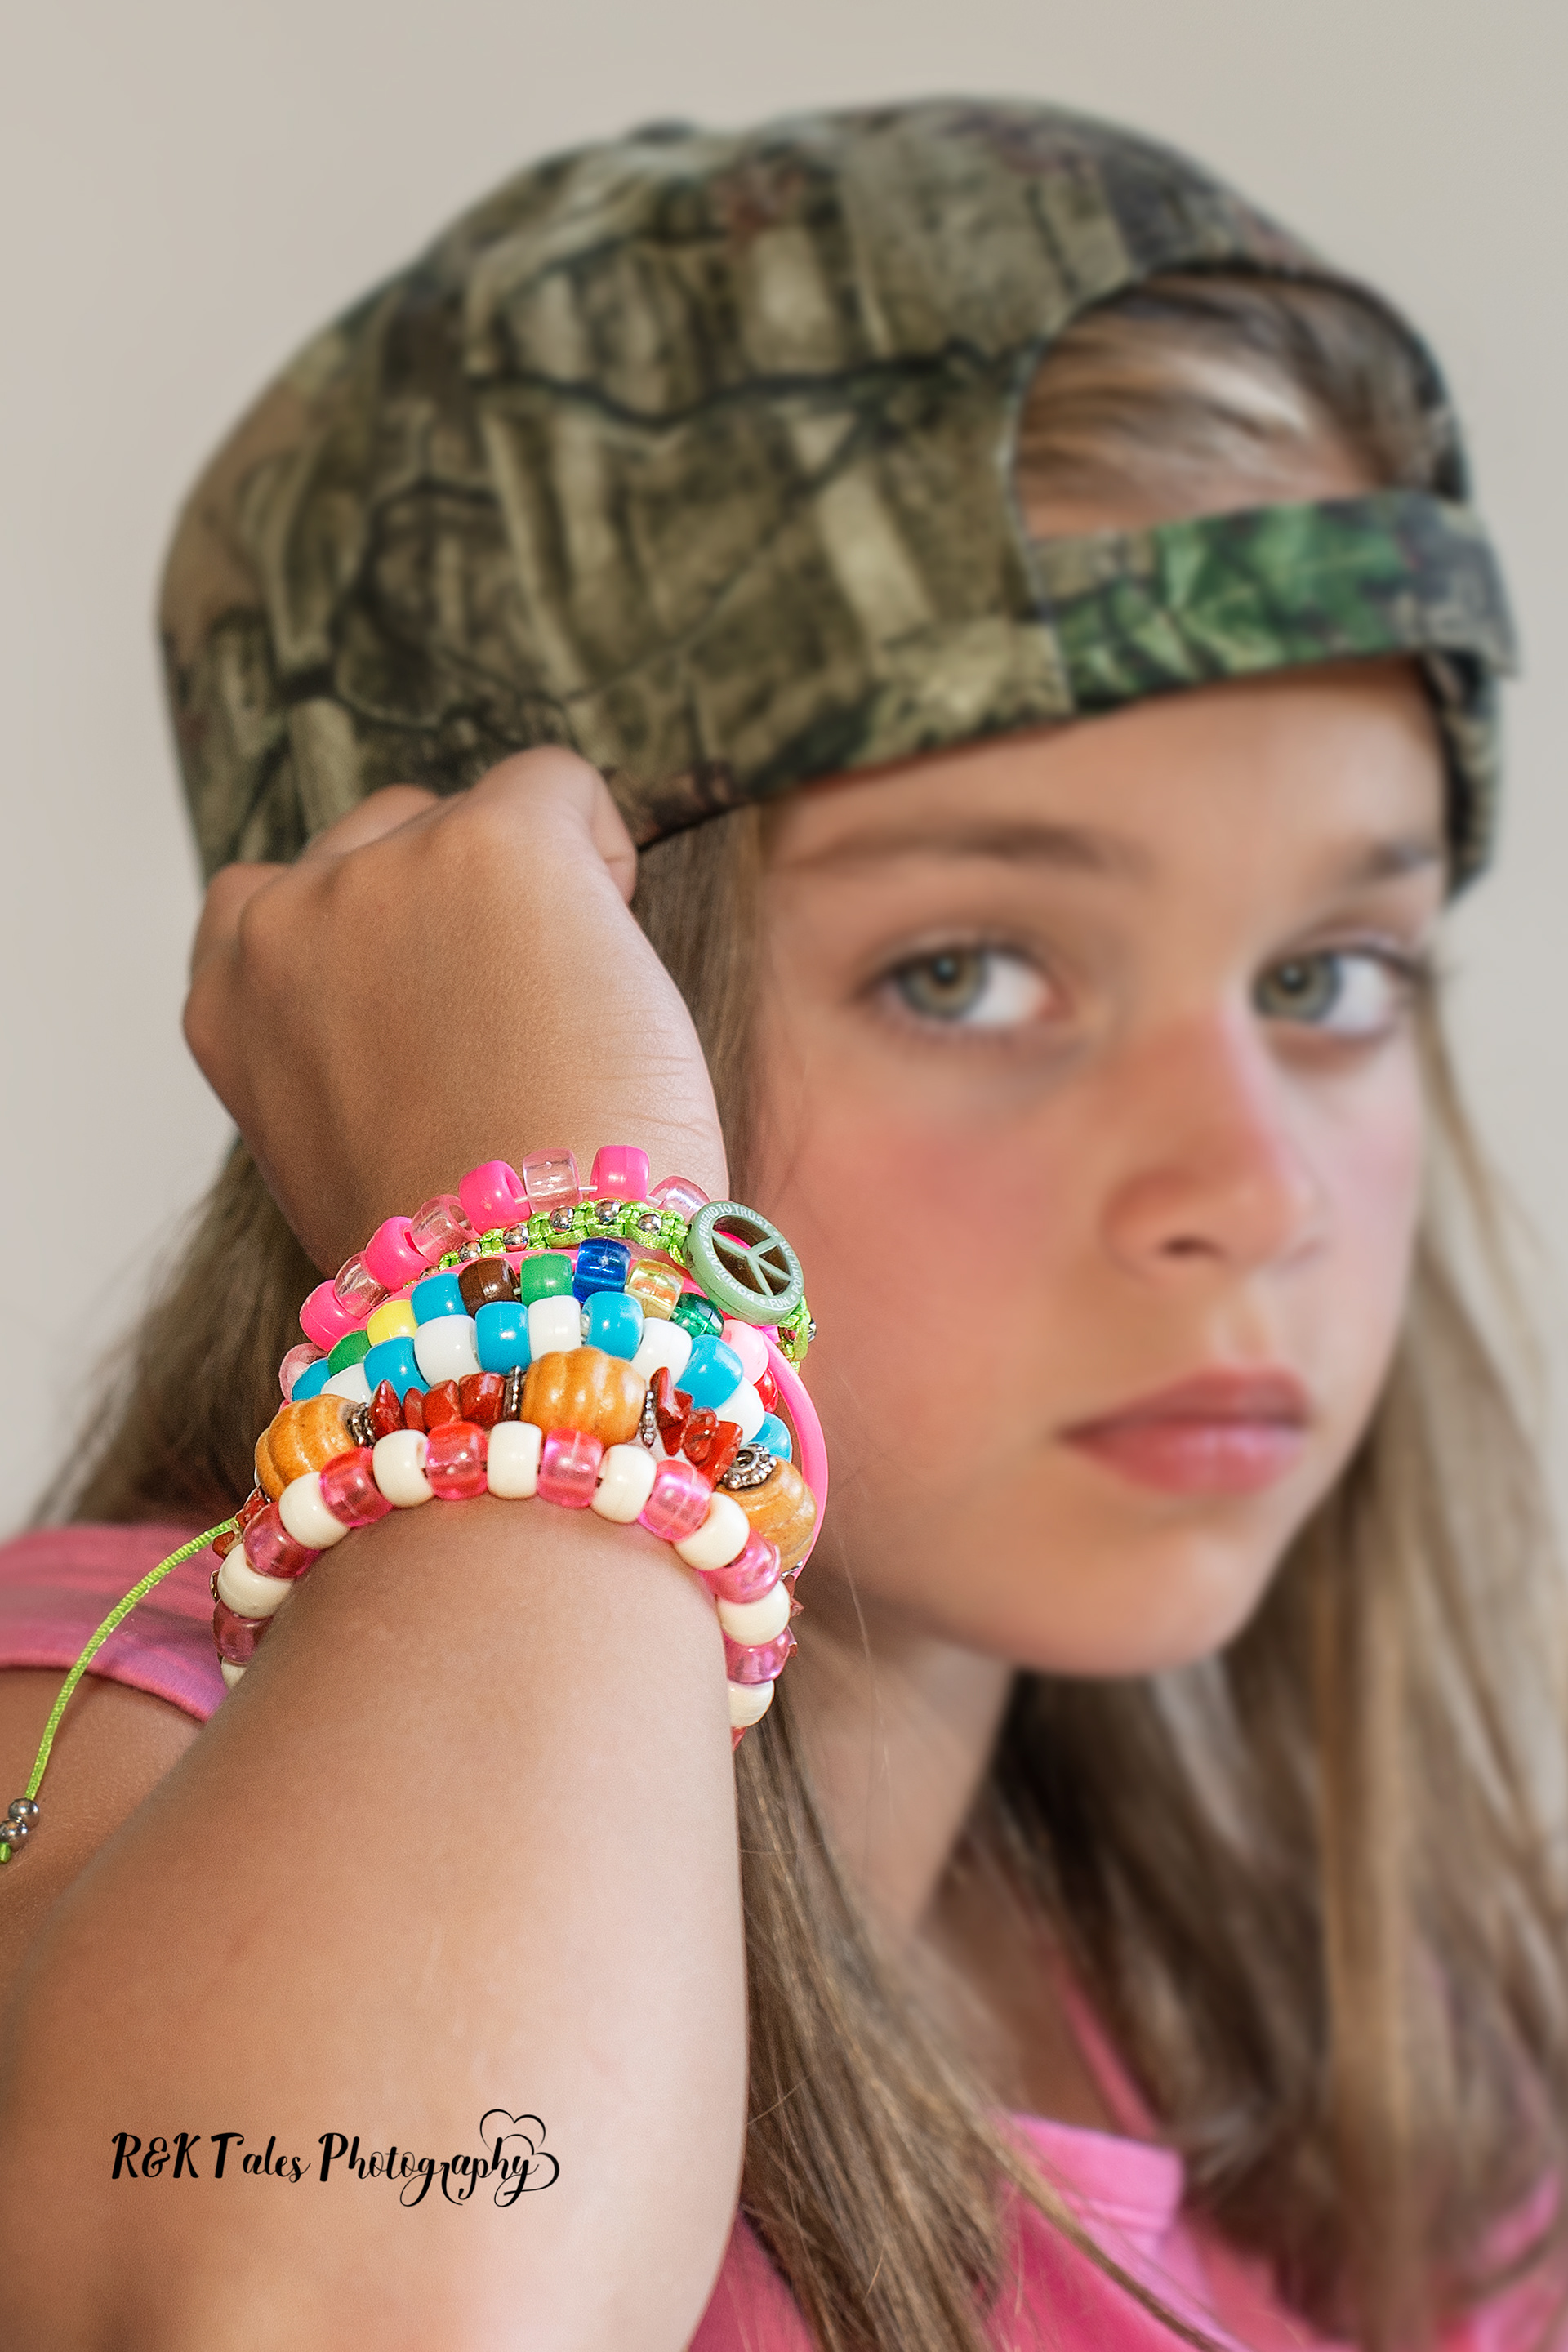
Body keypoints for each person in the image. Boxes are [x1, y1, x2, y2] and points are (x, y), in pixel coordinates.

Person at [0, 98, 1558, 2352]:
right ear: (519, 1005)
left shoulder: (1330, 2027)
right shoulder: (102, 1754)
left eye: (1326, 978)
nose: (1251, 1195)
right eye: (970, 973)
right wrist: (557, 1243)